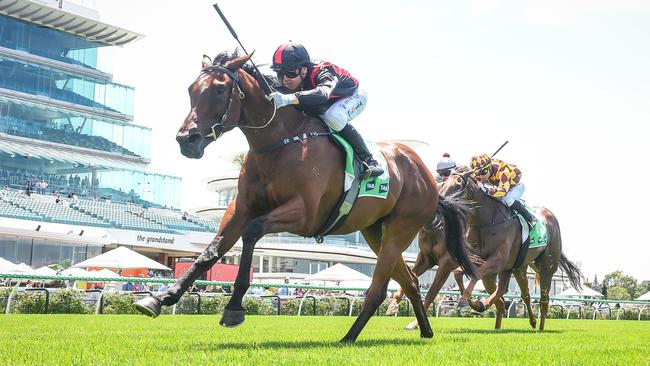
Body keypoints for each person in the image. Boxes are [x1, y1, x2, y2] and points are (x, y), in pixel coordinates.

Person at [268, 42, 383, 179]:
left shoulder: (323, 71)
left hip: (353, 95)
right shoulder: (292, 77)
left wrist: (288, 98)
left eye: (290, 73)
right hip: (330, 101)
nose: (285, 79)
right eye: (280, 74)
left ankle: (369, 160)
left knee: (333, 116)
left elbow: (323, 94)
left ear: (304, 70)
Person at [470, 154, 536, 228]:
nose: (482, 177)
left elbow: (503, 191)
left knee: (506, 199)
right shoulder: (483, 174)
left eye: (483, 172)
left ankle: (530, 217)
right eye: (478, 174)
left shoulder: (502, 170)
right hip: (500, 188)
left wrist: (487, 190)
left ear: (489, 167)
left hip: (516, 186)